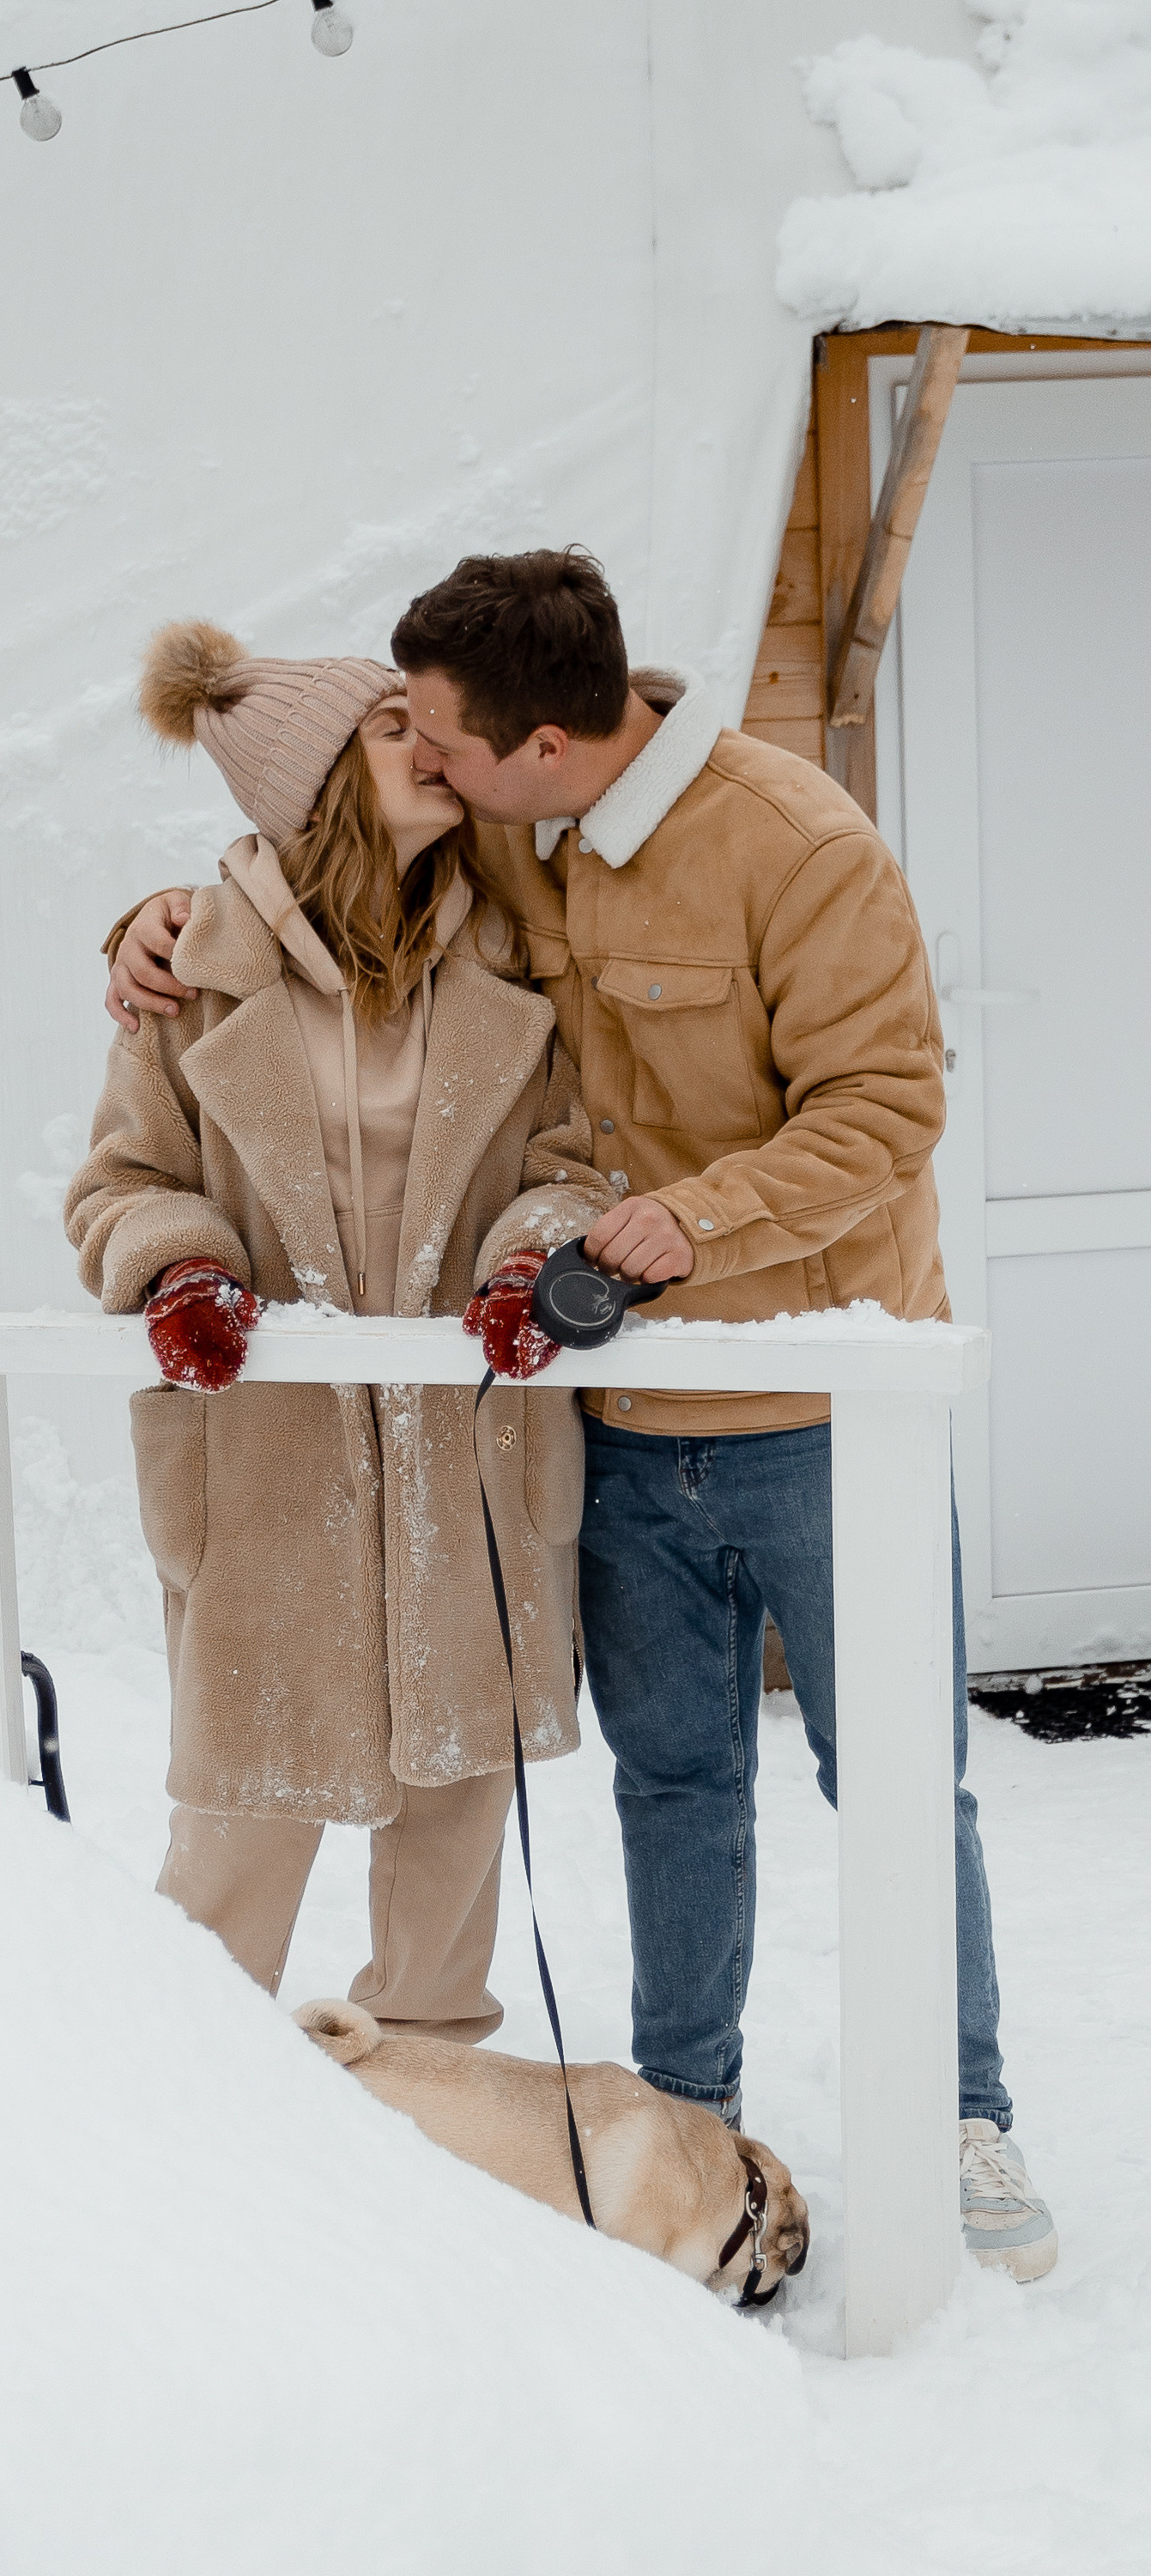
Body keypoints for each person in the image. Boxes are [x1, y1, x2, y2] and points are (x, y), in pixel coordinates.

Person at [104, 550, 1057, 2282]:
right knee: (670, 1789)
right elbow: (286, 916)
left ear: (536, 747)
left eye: (446, 742)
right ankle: (674, 2107)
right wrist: (157, 927)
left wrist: (679, 1224)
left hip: (810, 1403)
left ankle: (961, 2114)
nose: (431, 763)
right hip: (607, 1420)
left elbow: (882, 1103)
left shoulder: (788, 847)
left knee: (894, 1781)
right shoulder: (507, 839)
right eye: (410, 746)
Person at [68, 620, 616, 2040]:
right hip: (265, 1461)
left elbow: (567, 1159)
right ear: (310, 786)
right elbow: (123, 1182)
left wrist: (528, 1258)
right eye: (391, 732)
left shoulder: (513, 945)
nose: (429, 746)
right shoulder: (188, 971)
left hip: (470, 1455)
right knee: (233, 1854)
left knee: (449, 1829)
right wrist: (180, 1269)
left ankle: (431, 2135)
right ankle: (181, 2119)